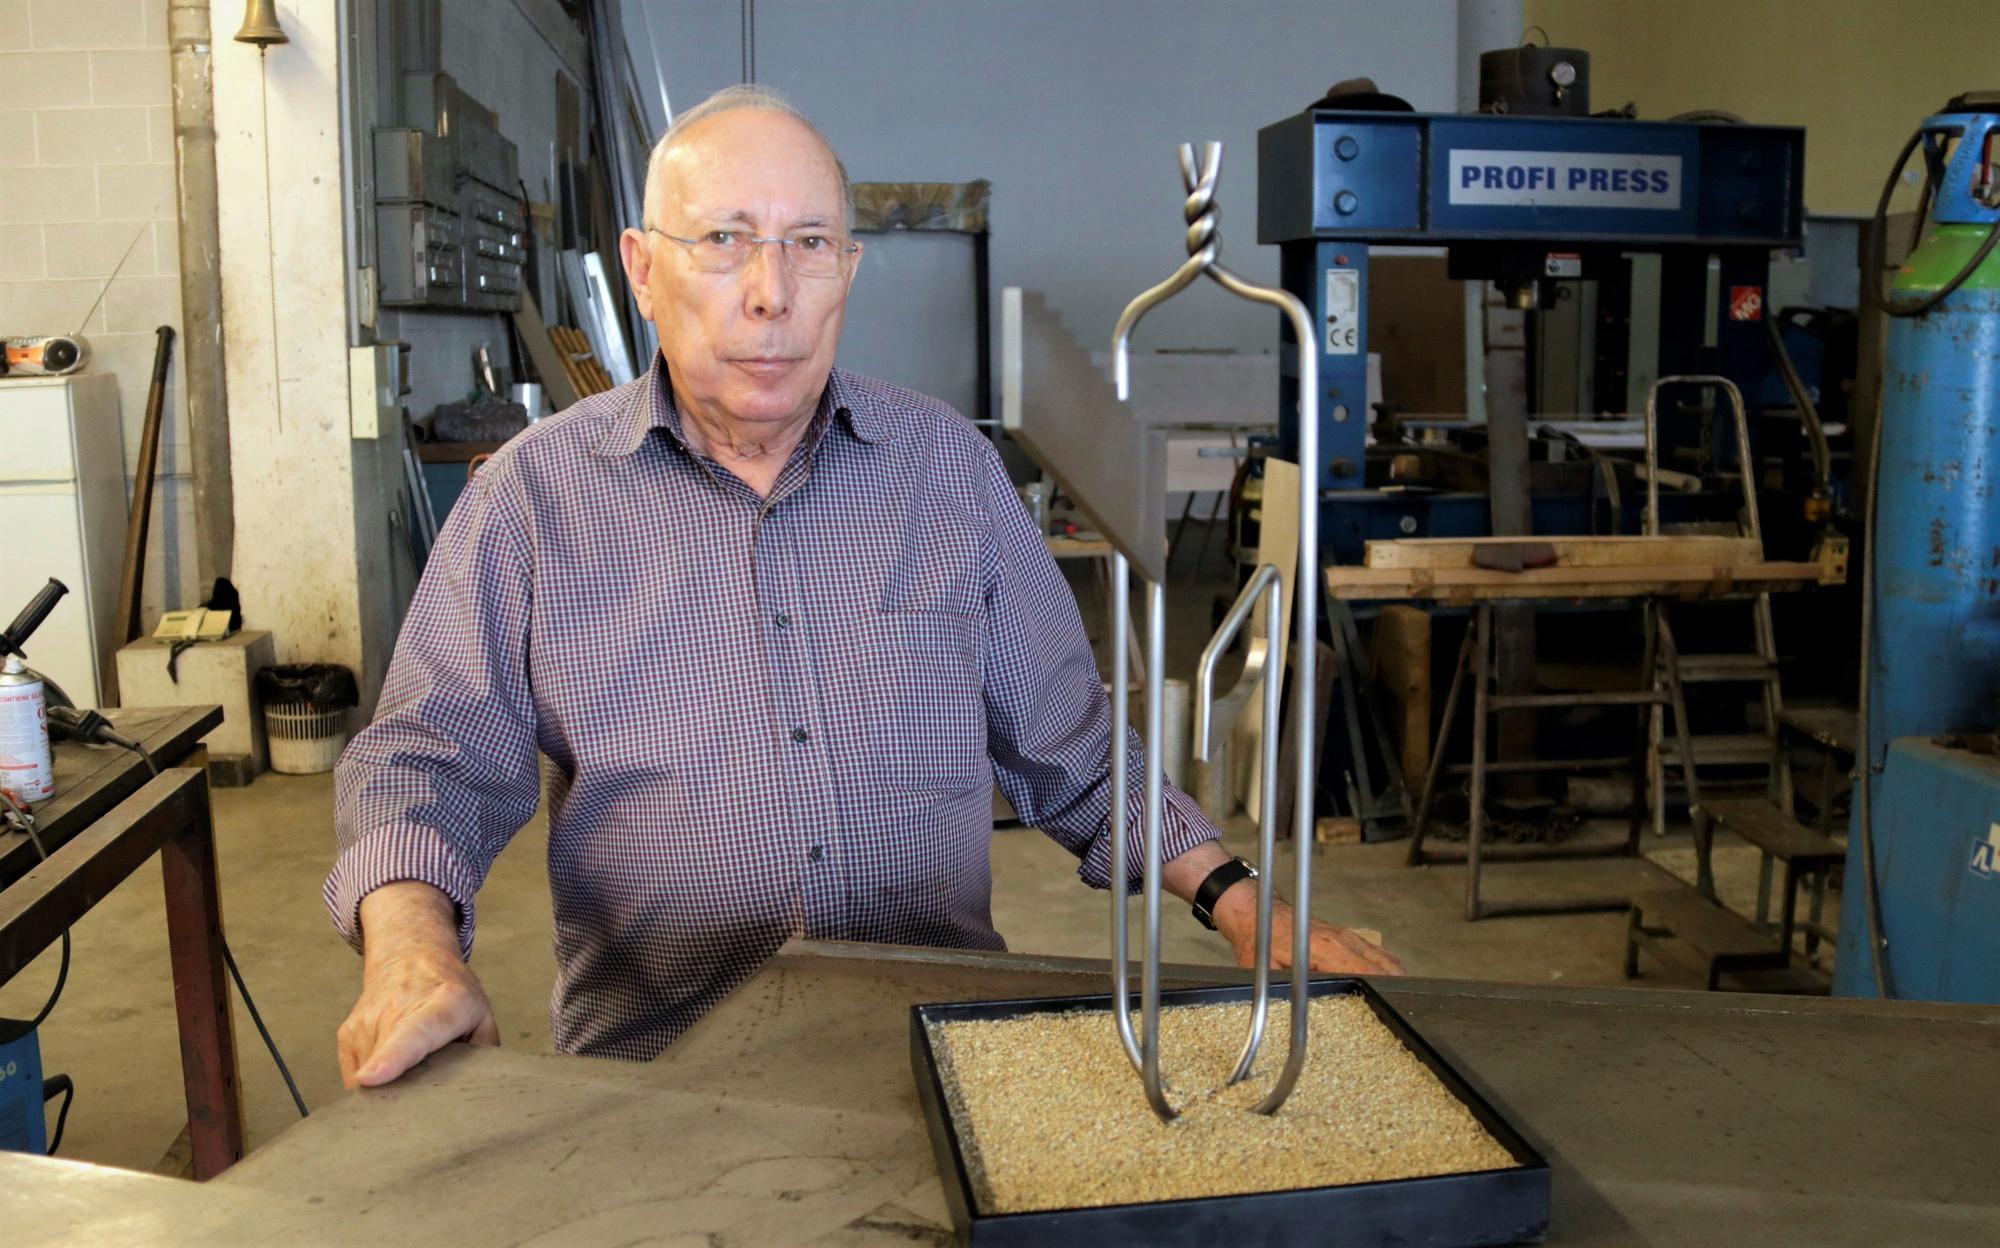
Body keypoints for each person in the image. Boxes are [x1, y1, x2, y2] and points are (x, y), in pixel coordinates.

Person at [327, 85, 1401, 1090]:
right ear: (642, 271)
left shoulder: (946, 469)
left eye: (807, 246)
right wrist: (412, 952)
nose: (770, 293)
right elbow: (428, 758)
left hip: (936, 1050)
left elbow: (1069, 741)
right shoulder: (535, 499)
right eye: (724, 243)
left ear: (847, 269)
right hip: (660, 1076)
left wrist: (1239, 899)